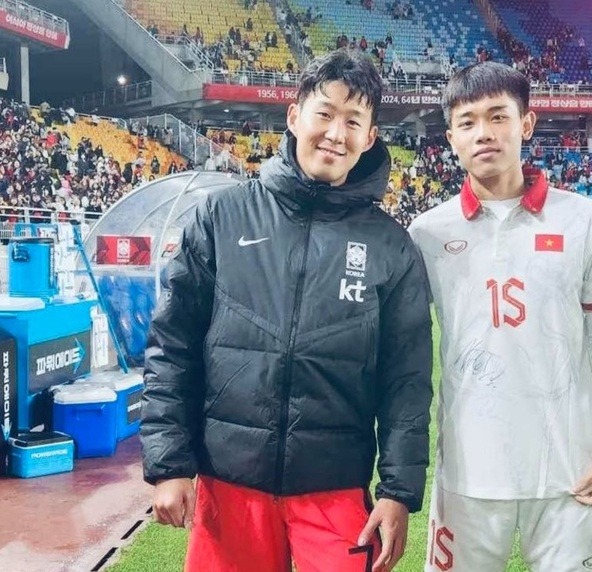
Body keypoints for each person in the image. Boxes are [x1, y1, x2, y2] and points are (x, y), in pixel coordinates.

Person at [141, 49, 433, 572]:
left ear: (370, 137)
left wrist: (397, 491)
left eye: (353, 121)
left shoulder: (391, 246)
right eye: (325, 113)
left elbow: (406, 381)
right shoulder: (221, 217)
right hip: (230, 483)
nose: (336, 134)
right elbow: (172, 345)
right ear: (295, 116)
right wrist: (168, 463)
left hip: (336, 487)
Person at [408, 61, 592, 571]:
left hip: (570, 471)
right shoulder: (426, 233)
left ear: (525, 124)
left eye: (498, 116)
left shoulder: (582, 219)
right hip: (467, 472)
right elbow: (405, 354)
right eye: (467, 122)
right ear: (451, 138)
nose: (483, 133)